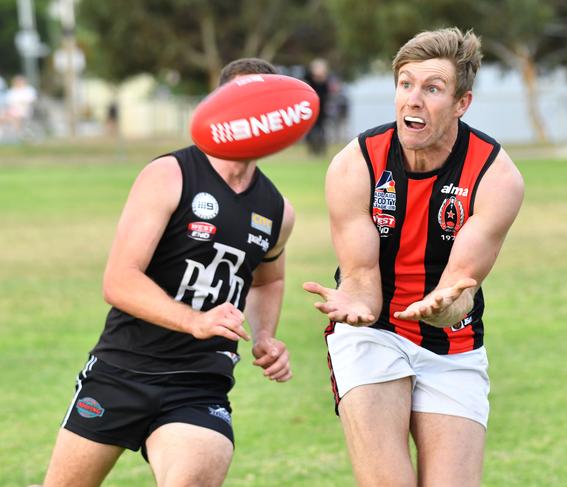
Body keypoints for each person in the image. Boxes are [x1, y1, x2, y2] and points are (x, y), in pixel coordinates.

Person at [42, 58, 295, 487]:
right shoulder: (169, 175)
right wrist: (195, 320)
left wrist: (266, 335)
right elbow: (119, 280)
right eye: (238, 103)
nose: (249, 117)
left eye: (260, 107)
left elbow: (268, 279)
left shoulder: (277, 209)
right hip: (123, 369)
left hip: (199, 385)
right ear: (216, 108)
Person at [304, 28, 524, 487]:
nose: (413, 100)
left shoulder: (495, 176)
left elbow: (463, 284)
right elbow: (362, 274)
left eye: (432, 89)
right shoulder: (357, 163)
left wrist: (443, 307)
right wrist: (359, 307)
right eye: (405, 84)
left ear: (462, 102)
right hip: (373, 334)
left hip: (452, 343)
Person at [303, 58, 332, 156]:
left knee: (322, 131)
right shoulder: (309, 79)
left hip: (322, 110)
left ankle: (321, 150)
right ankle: (312, 150)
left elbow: (327, 95)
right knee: (311, 131)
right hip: (310, 109)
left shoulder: (325, 81)